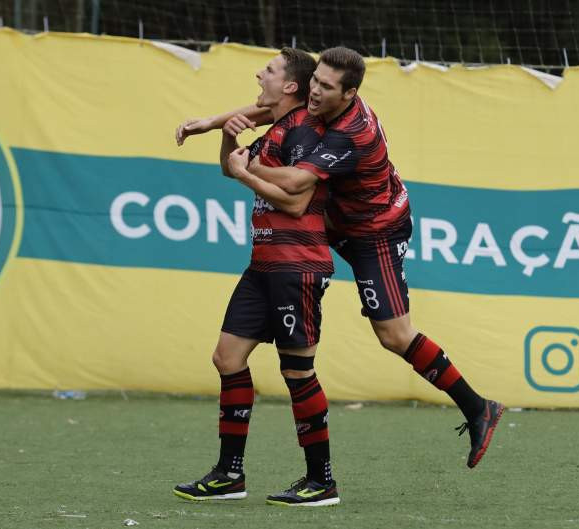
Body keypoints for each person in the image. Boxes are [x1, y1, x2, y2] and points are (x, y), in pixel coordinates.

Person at [202, 47, 504, 469]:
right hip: (337, 222)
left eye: (326, 87)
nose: (315, 91)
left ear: (350, 94)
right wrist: (211, 125)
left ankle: (477, 408)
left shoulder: (351, 132)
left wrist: (245, 168)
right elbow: (271, 110)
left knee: (394, 336)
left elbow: (295, 182)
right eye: (314, 80)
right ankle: (235, 471)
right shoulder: (316, 102)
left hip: (374, 231)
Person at [172, 48, 343, 507]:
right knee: (227, 358)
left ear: (290, 86)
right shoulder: (275, 128)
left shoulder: (305, 132)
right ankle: (230, 474)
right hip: (263, 265)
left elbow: (293, 204)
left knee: (296, 370)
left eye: (268, 71)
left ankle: (321, 479)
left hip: (297, 266)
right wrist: (226, 139)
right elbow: (233, 170)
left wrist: (246, 173)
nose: (258, 75)